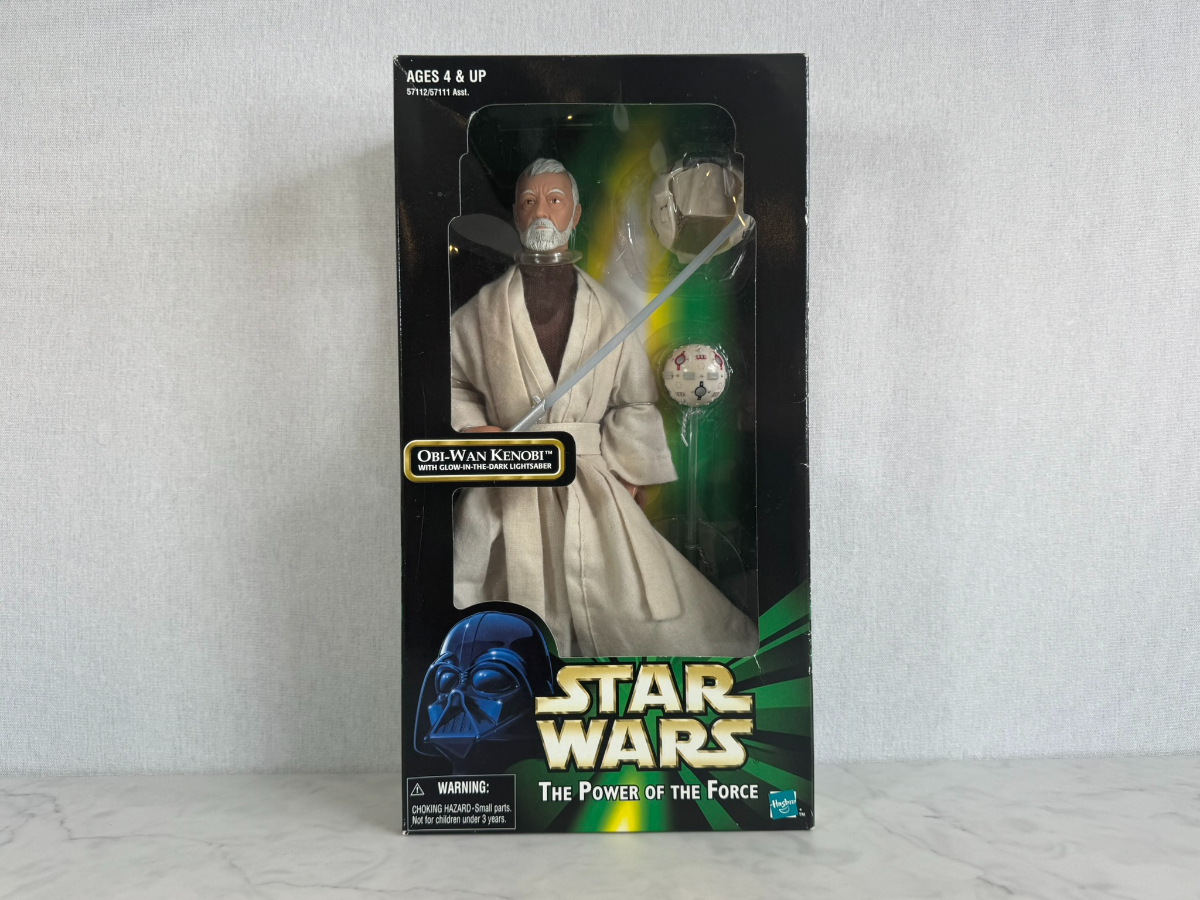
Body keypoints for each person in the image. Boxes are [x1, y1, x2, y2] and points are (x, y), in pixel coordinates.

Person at [449, 158, 756, 657]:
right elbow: (450, 379)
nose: (542, 212)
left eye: (555, 200)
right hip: (510, 476)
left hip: (588, 480)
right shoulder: (484, 312)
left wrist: (631, 472)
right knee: (500, 607)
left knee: (628, 597)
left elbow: (635, 398)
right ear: (516, 214)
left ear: (575, 214)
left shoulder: (605, 311)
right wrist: (474, 430)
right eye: (529, 201)